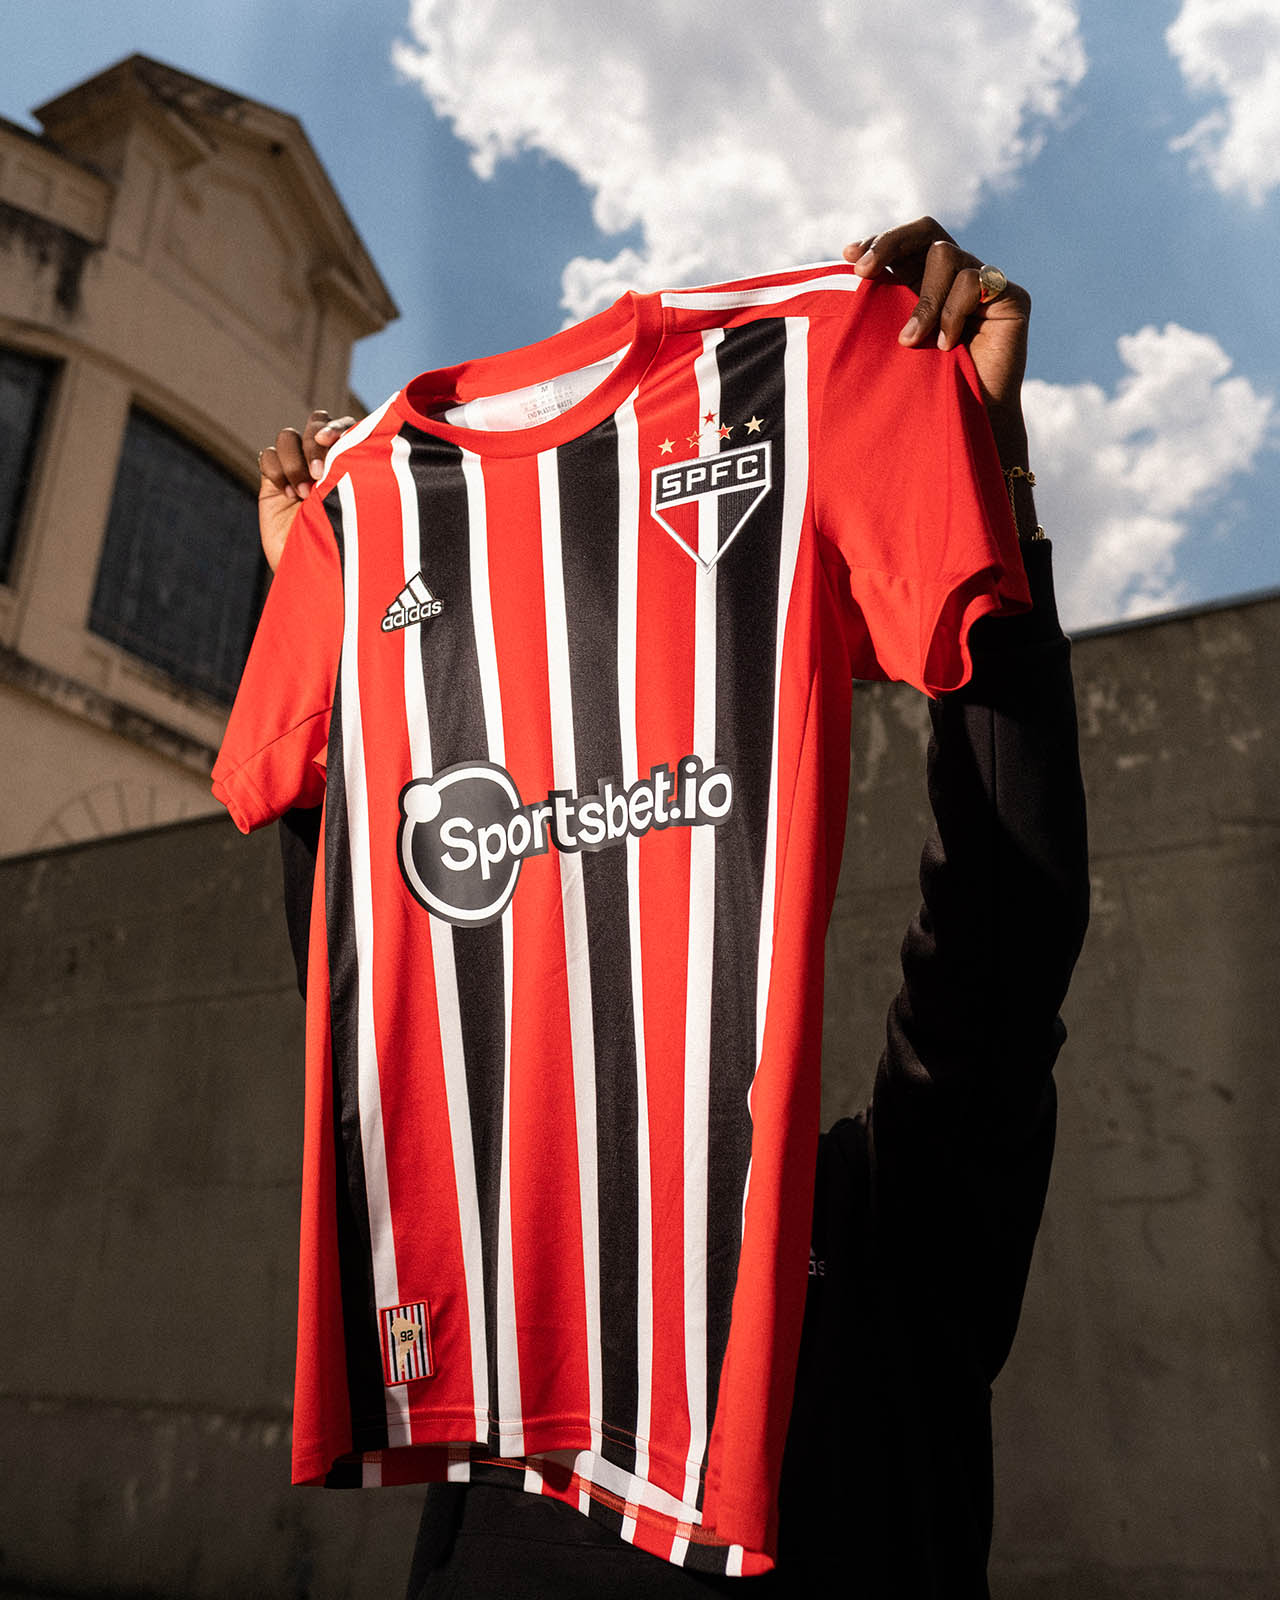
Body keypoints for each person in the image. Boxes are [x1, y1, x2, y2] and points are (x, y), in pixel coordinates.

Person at [248, 218, 1088, 1598]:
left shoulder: (876, 1223)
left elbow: (1007, 935)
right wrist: (337, 670)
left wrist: (983, 478)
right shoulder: (516, 1260)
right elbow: (378, 987)